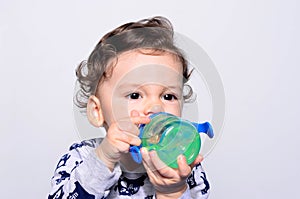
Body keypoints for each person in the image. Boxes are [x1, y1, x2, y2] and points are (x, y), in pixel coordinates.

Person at [48, 16, 210, 199]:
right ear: (97, 111)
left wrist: (172, 191)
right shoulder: (79, 159)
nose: (156, 107)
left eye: (168, 96)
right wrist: (104, 159)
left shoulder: (183, 168)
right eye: (135, 95)